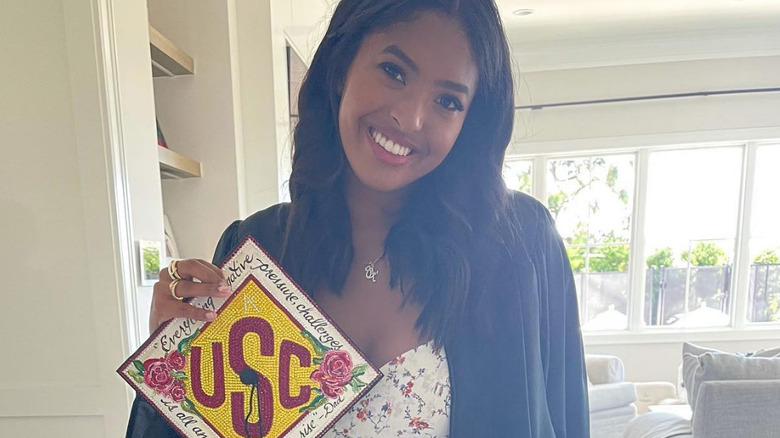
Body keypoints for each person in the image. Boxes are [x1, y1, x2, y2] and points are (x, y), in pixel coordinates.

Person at [126, 0, 589, 436]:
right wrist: (170, 352)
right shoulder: (259, 248)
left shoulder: (518, 246)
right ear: (340, 68)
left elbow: (565, 420)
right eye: (393, 71)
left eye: (448, 101)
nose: (410, 119)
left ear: (471, 120)